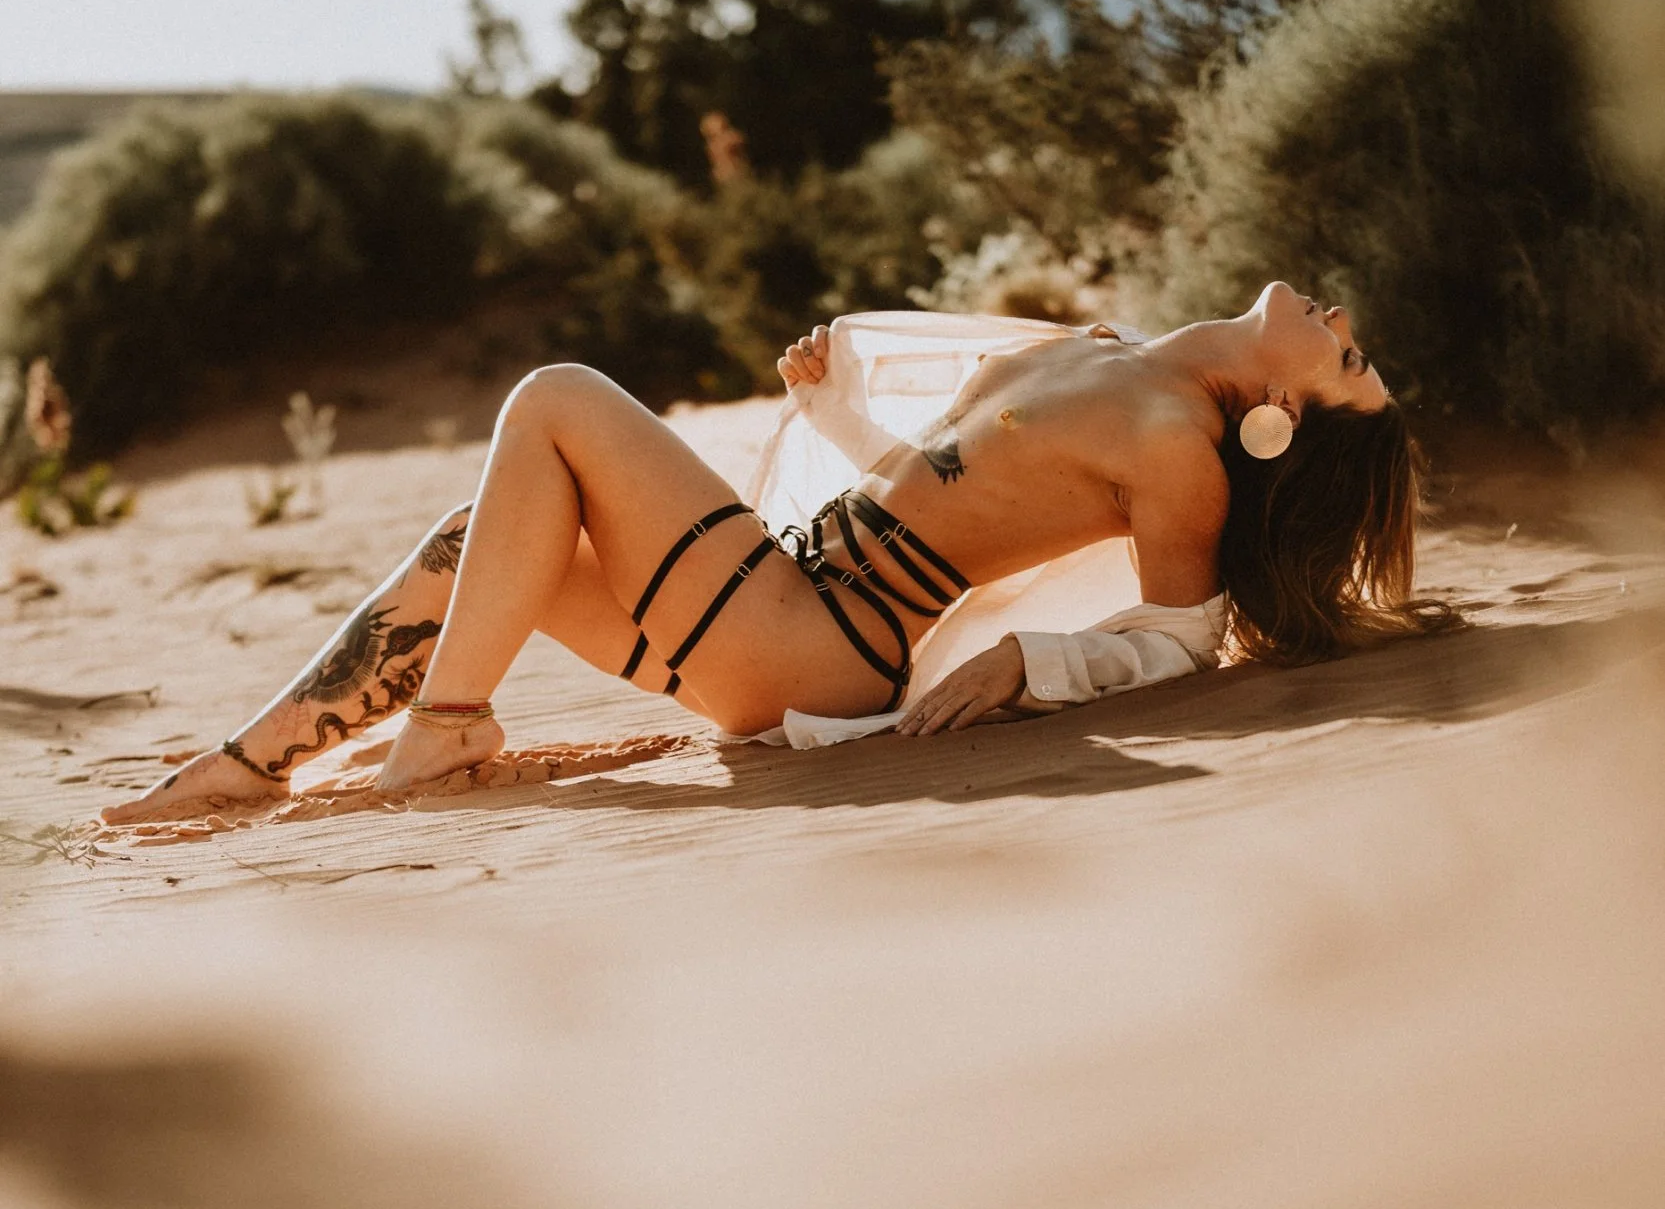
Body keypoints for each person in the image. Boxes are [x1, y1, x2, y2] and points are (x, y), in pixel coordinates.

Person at [103, 282, 1451, 824]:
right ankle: (251, 765)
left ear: (1283, 419)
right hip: (791, 590)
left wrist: (1036, 662)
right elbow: (944, 489)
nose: (1341, 323)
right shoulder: (1105, 353)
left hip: (822, 638)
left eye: (1350, 362)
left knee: (557, 399)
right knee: (482, 538)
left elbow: (1186, 635)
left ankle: (446, 726)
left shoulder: (1179, 448)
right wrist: (834, 418)